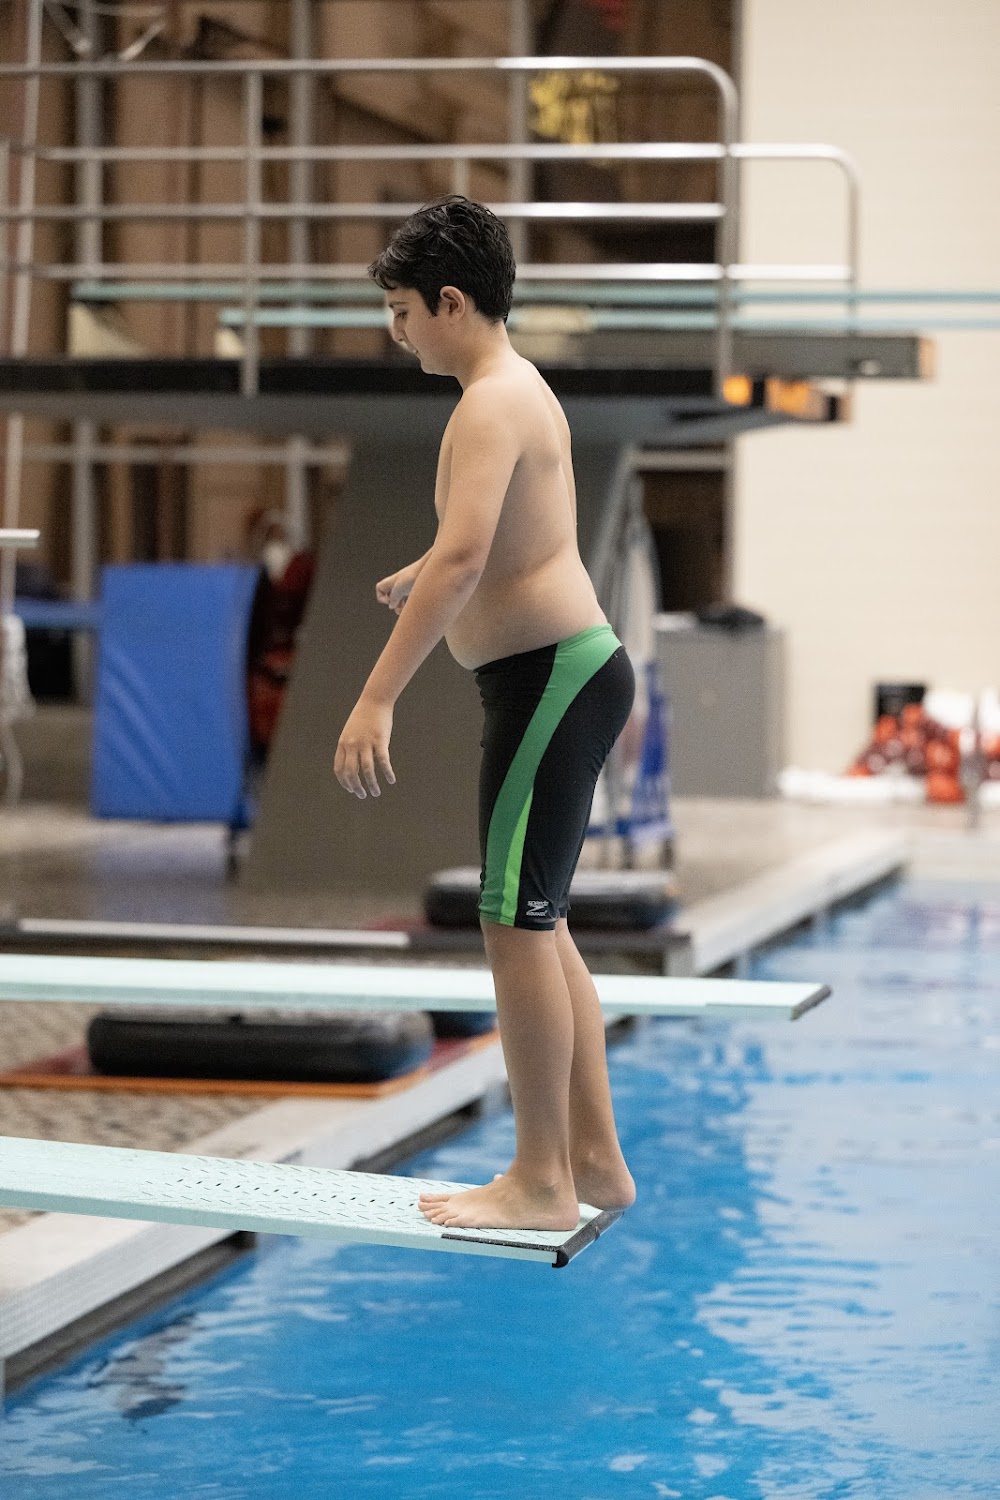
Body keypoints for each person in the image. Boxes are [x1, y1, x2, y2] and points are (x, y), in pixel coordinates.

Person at [334, 196, 636, 1231]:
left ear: (450, 302)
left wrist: (376, 696)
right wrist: (422, 568)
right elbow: (497, 536)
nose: (398, 332)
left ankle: (540, 1181)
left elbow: (468, 559)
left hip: (549, 678)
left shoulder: (488, 405)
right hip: (562, 672)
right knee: (540, 926)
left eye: (403, 312)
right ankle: (593, 1160)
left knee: (513, 924)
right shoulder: (516, 390)